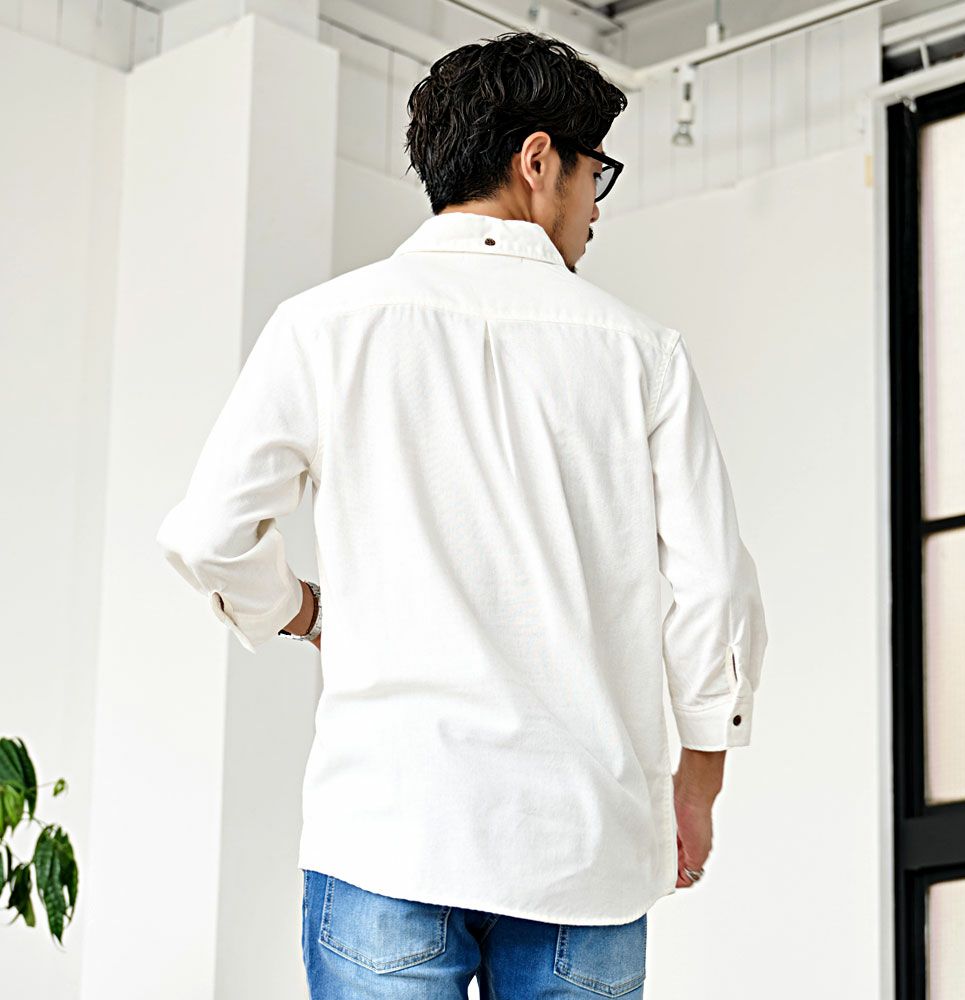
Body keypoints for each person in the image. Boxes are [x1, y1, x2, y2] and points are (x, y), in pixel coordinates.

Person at [155, 29, 768, 1000]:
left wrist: (302, 612)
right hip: (585, 854)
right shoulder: (641, 353)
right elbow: (713, 588)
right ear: (538, 162)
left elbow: (209, 534)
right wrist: (697, 783)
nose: (595, 210)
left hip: (388, 836)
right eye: (595, 175)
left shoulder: (327, 326)